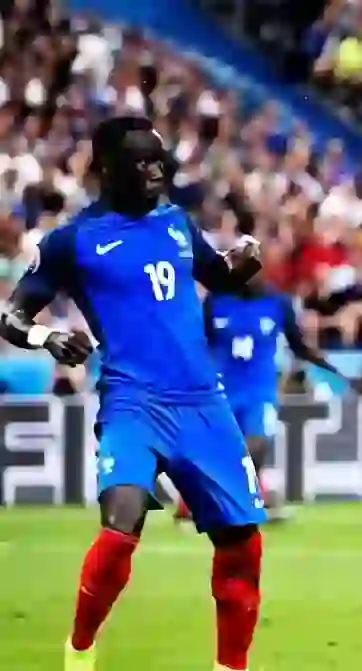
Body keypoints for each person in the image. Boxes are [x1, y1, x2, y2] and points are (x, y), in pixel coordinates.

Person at [0, 116, 266, 671]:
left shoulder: (176, 222)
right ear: (106, 169)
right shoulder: (72, 241)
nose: (156, 172)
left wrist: (240, 265)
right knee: (120, 530)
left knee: (242, 545)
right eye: (142, 163)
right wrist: (48, 336)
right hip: (133, 402)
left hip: (204, 402)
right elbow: (12, 313)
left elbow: (215, 276)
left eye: (159, 161)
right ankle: (79, 651)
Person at [177, 276, 347, 524]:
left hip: (260, 390)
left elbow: (298, 346)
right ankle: (211, 502)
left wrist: (333, 368)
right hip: (221, 391)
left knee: (257, 443)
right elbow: (197, 345)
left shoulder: (279, 303)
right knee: (218, 450)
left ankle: (237, 503)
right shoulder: (214, 303)